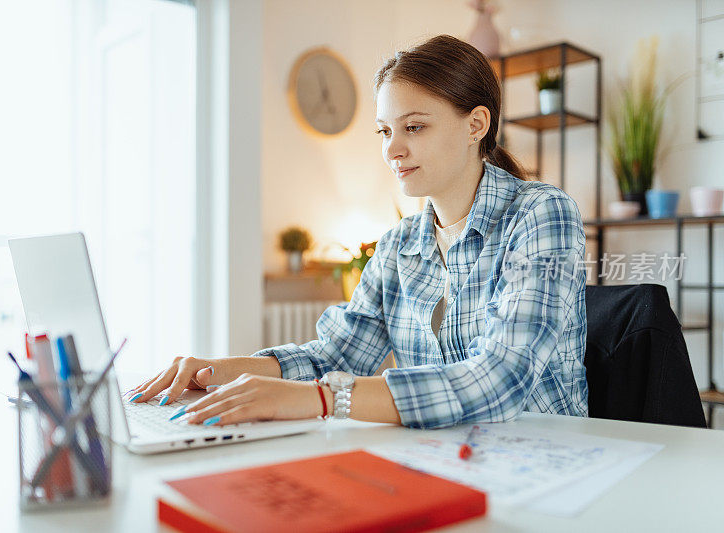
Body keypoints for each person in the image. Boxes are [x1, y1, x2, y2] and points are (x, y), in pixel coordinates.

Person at [128, 35, 588, 429]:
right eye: (385, 131)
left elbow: (500, 381)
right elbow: (337, 355)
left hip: (551, 459)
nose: (393, 149)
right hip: (445, 456)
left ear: (476, 124)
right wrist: (219, 371)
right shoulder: (399, 245)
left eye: (414, 127)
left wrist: (327, 399)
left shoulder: (541, 214)